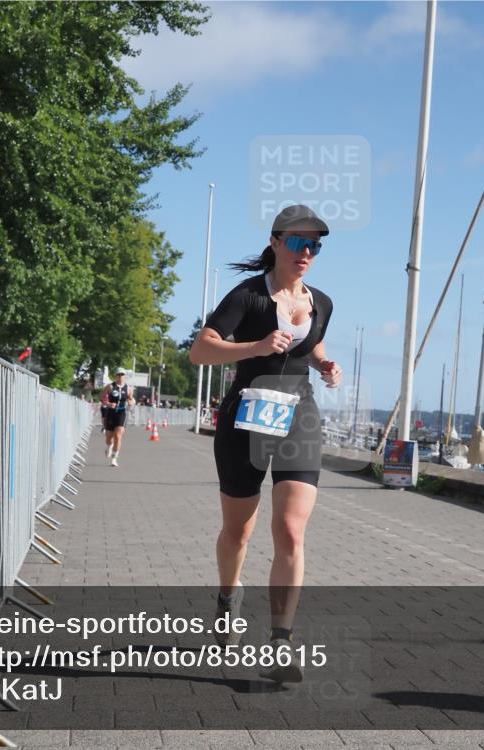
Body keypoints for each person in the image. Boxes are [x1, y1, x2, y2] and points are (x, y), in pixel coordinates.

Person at [189, 204, 342, 684]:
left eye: (315, 245)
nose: (306, 252)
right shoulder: (248, 296)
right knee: (238, 533)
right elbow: (200, 349)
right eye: (298, 242)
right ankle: (228, 595)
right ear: (276, 242)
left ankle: (281, 642)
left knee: (292, 532)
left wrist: (323, 364)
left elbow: (310, 341)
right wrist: (252, 347)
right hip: (246, 419)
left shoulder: (322, 302)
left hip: (299, 417)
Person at [100, 367, 135, 466]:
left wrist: (131, 402)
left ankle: (114, 458)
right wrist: (108, 404)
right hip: (111, 413)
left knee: (118, 436)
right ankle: (108, 446)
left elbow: (132, 399)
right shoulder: (110, 387)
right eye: (118, 374)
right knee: (109, 437)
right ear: (115, 375)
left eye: (122, 374)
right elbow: (102, 397)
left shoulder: (128, 388)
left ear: (125, 376)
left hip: (121, 413)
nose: (120, 376)